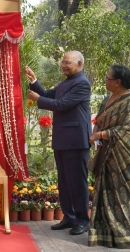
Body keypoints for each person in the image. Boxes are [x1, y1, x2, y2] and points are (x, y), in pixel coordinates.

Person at [25, 51, 91, 235]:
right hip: (62, 140)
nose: (63, 65)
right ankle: (69, 217)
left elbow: (61, 104)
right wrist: (34, 81)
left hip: (77, 141)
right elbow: (48, 95)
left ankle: (82, 220)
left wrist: (38, 100)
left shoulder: (82, 83)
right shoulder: (66, 82)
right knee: (64, 182)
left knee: (77, 182)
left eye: (68, 62)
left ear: (79, 64)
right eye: (62, 62)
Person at [87, 65, 130, 248]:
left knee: (125, 199)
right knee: (106, 196)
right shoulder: (106, 99)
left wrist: (99, 135)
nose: (105, 80)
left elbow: (128, 130)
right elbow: (98, 120)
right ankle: (106, 235)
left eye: (107, 78)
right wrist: (95, 132)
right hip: (107, 155)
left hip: (127, 156)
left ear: (118, 82)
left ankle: (128, 236)